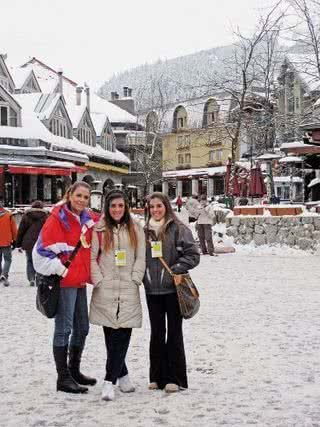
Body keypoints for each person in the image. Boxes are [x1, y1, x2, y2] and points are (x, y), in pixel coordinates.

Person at [33, 182, 97, 394]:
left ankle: (74, 370)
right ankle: (63, 378)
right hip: (65, 282)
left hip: (79, 282)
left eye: (86, 197)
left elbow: (111, 222)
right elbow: (40, 252)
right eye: (78, 195)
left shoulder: (87, 219)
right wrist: (61, 270)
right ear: (69, 195)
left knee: (83, 328)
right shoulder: (57, 219)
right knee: (64, 329)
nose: (82, 200)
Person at [90, 190, 146, 401]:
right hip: (105, 287)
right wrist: (99, 280)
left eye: (120, 206)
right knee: (111, 336)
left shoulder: (135, 228)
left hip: (128, 287)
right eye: (113, 206)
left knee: (123, 334)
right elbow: (92, 257)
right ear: (107, 207)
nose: (117, 210)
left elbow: (141, 256)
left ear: (126, 207)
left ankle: (109, 381)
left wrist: (136, 277)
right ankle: (121, 374)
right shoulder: (99, 229)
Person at [144, 192, 200, 393]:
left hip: (173, 289)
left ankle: (174, 378)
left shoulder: (179, 229)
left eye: (159, 206)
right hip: (152, 290)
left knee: (174, 333)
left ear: (166, 207)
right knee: (157, 333)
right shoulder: (143, 231)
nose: (156, 210)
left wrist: (176, 268)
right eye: (152, 207)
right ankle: (156, 376)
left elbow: (193, 255)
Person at [16, 200, 49, 286]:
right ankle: (39, 278)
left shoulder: (26, 215)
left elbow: (21, 230)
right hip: (41, 241)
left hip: (29, 242)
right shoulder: (46, 216)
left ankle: (31, 278)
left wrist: (18, 244)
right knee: (40, 260)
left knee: (30, 260)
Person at [0, 198, 17, 287]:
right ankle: (4, 275)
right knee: (7, 259)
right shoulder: (8, 215)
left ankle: (1, 275)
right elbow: (14, 229)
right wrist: (14, 240)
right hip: (6, 241)